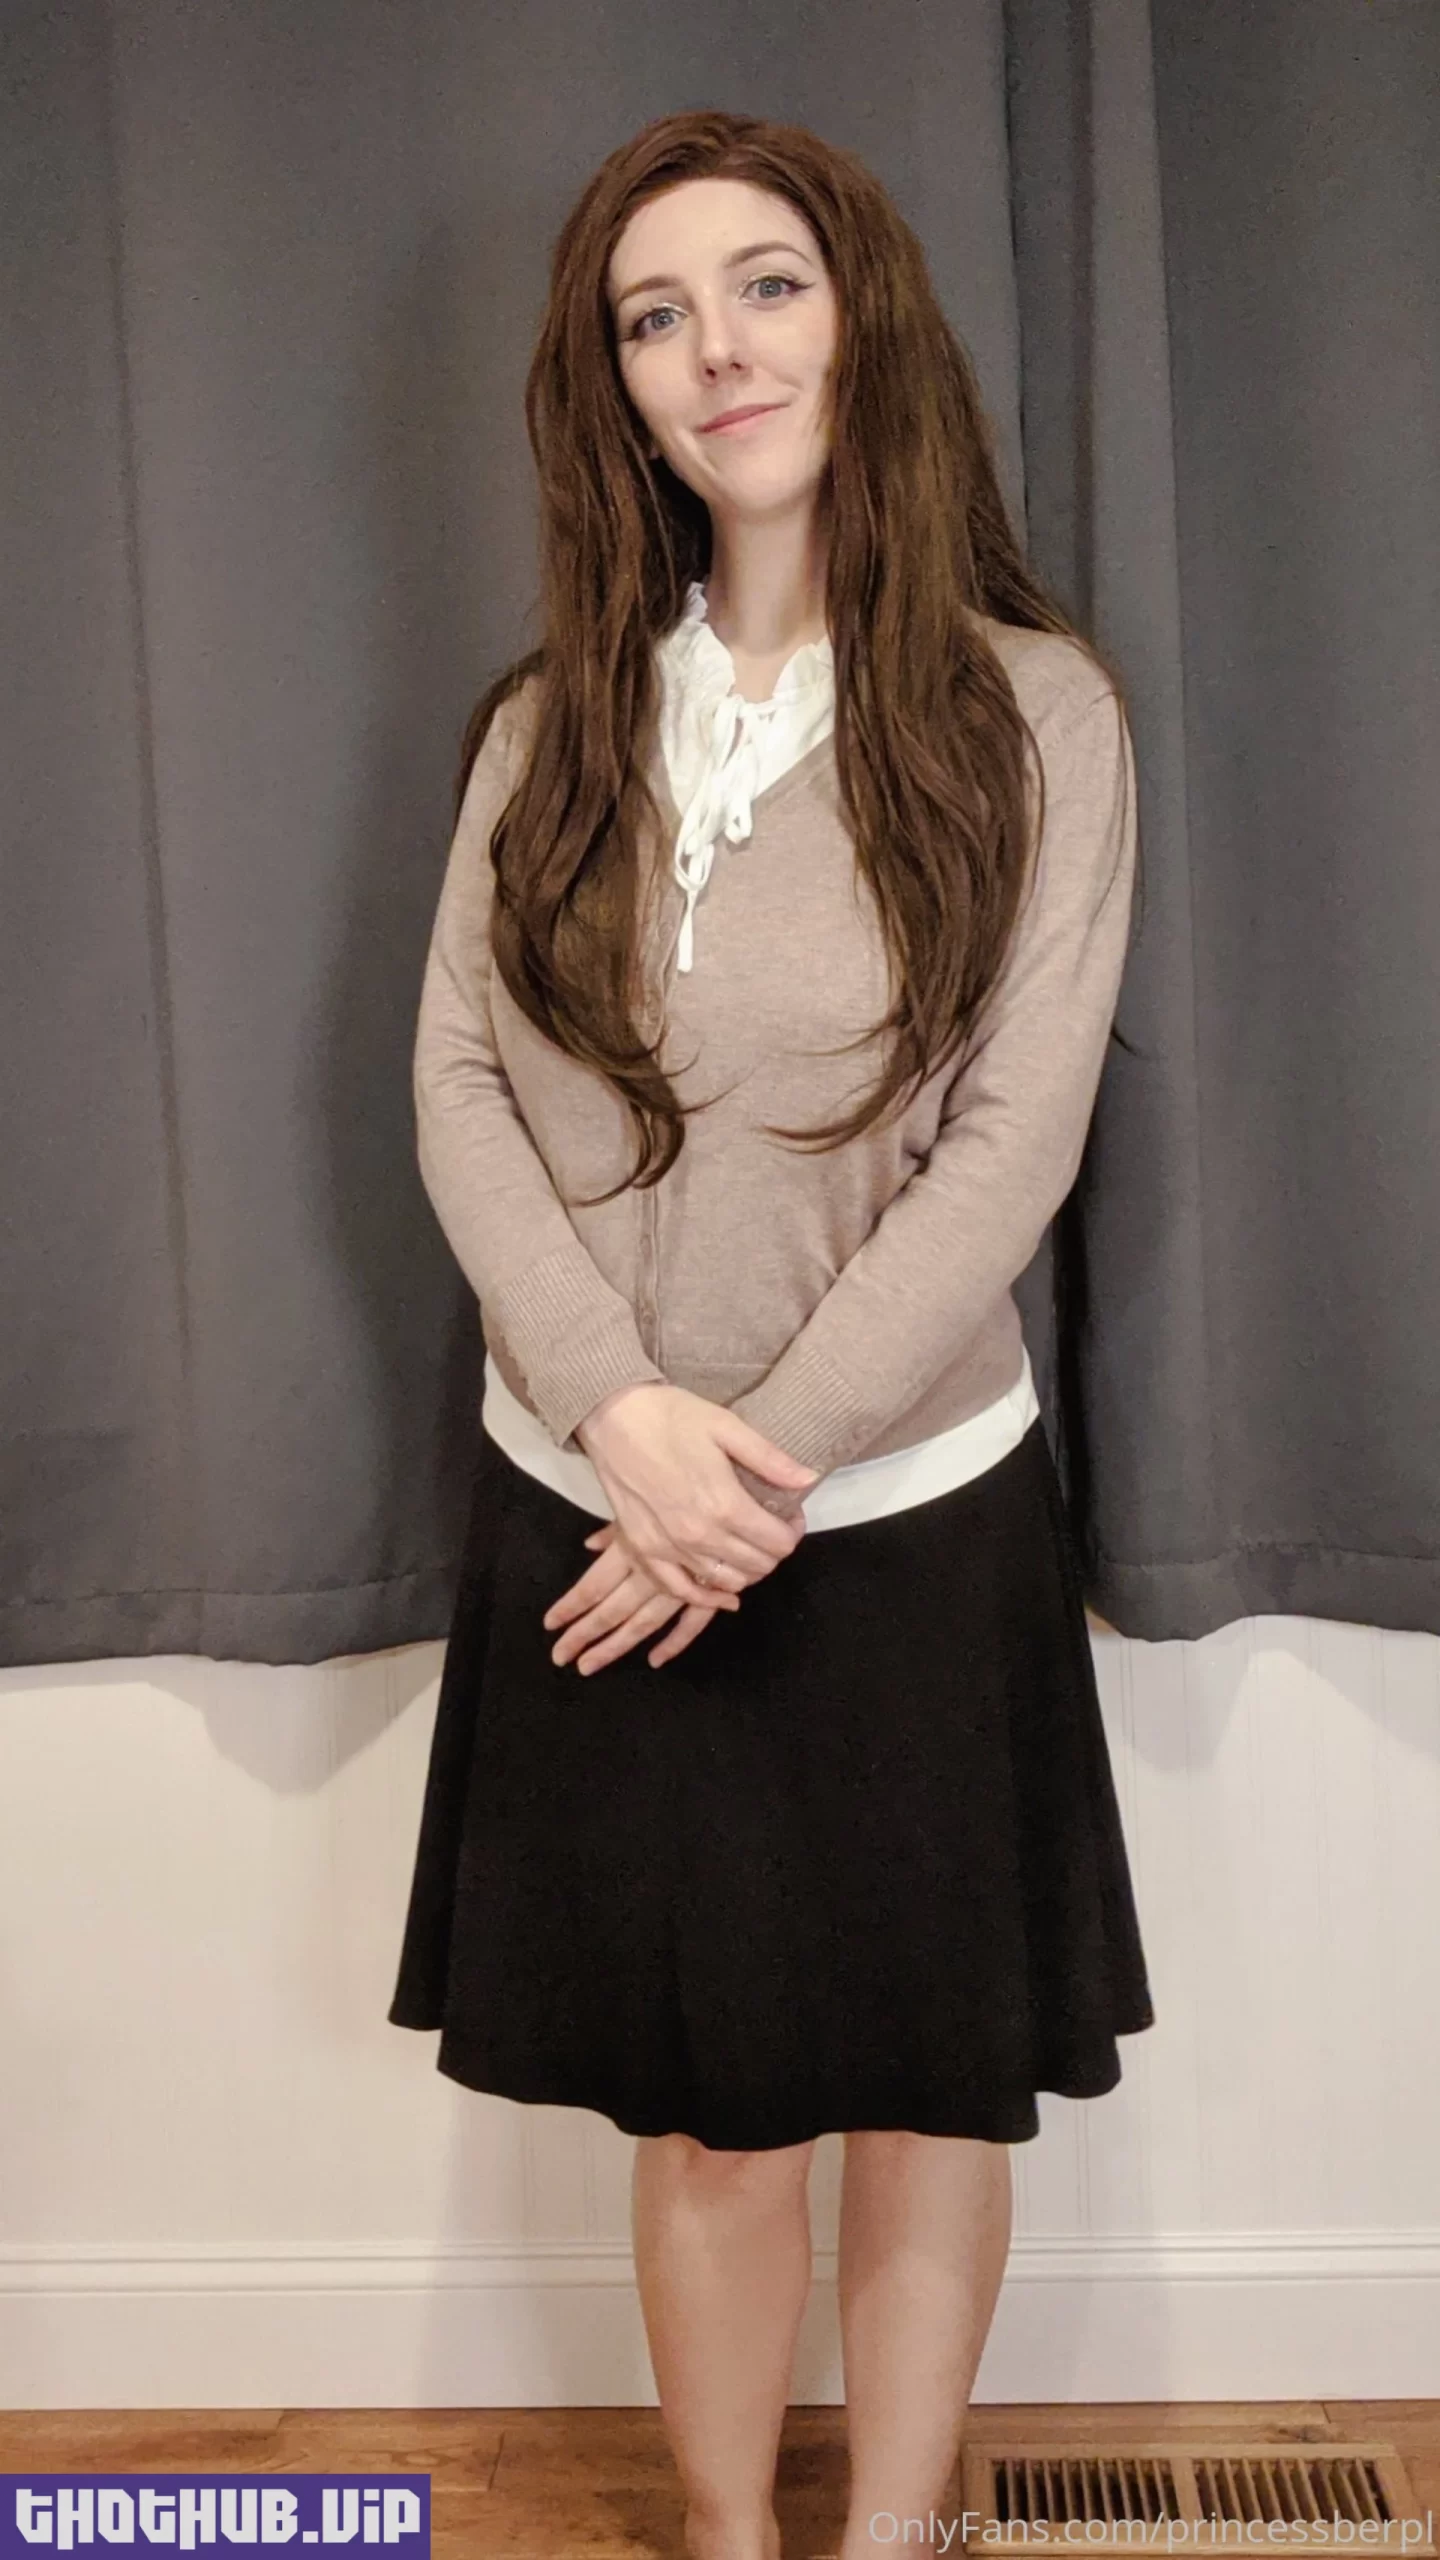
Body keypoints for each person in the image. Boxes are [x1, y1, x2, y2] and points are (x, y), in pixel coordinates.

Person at [388, 108, 1155, 2560]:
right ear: (614, 386)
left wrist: (750, 1475)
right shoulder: (548, 723)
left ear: (863, 320)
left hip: (904, 1520)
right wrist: (627, 1419)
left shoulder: (1038, 717)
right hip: (599, 1507)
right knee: (713, 2110)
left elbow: (1014, 1146)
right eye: (656, 314)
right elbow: (454, 1078)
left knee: (927, 2093)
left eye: (766, 286)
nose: (714, 348)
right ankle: (732, 2536)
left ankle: (894, 2530)